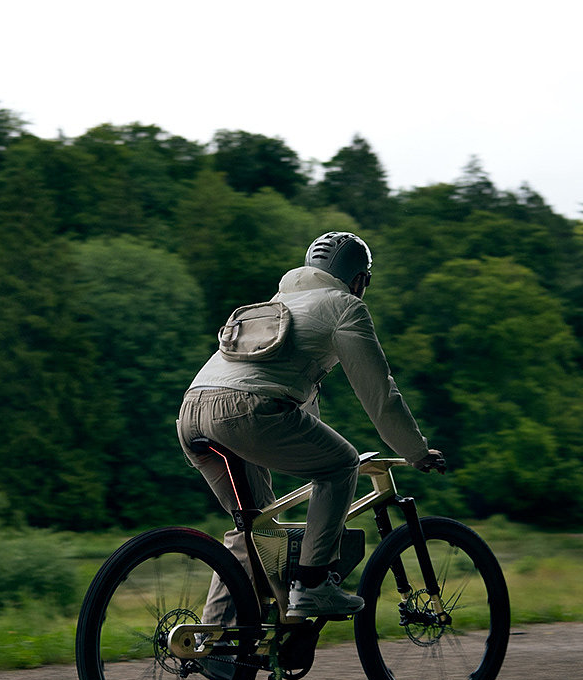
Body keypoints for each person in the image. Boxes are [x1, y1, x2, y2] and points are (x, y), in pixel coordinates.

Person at [176, 231, 445, 626]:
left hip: (192, 412)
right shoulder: (344, 307)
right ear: (359, 280)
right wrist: (415, 451)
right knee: (341, 465)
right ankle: (312, 584)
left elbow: (302, 403)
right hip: (247, 412)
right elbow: (379, 393)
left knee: (255, 528)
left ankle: (212, 643)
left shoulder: (278, 303)